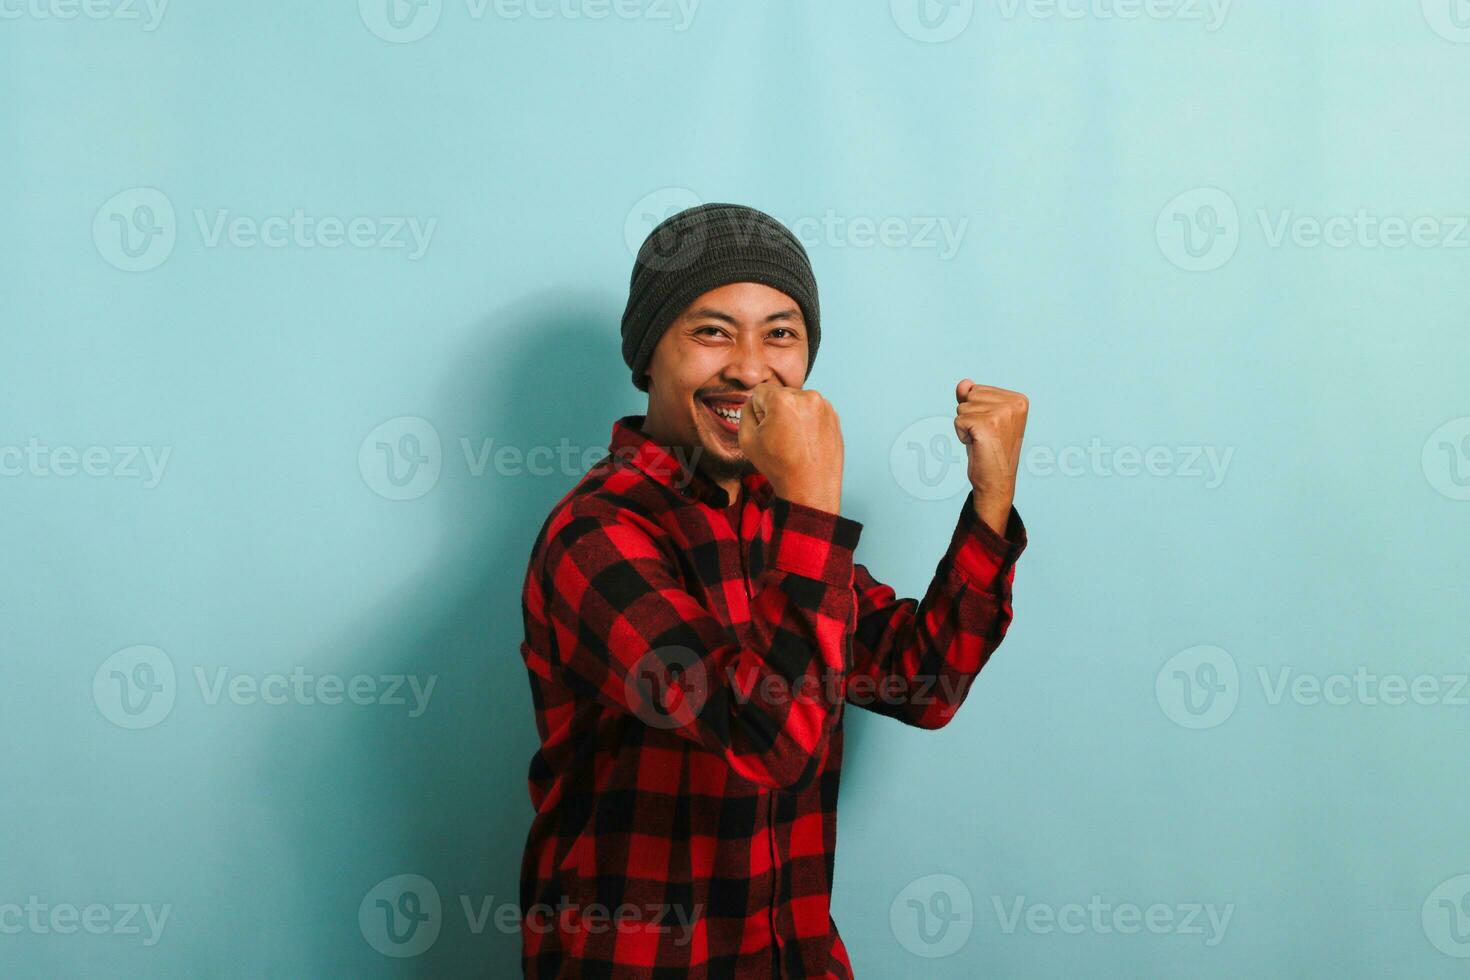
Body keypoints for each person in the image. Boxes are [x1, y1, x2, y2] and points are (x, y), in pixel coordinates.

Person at [517, 203, 1028, 978]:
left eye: (781, 333)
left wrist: (990, 501)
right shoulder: (594, 538)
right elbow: (770, 737)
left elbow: (926, 682)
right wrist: (814, 500)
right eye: (712, 331)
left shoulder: (774, 525)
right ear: (647, 356)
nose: (752, 368)